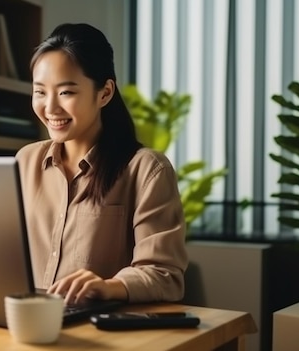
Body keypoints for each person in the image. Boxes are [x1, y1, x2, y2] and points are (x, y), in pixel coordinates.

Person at [15, 23, 188, 306]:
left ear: (105, 93)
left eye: (66, 92)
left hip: (101, 332)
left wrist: (110, 286)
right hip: (25, 320)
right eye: (40, 92)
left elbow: (165, 274)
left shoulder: (147, 170)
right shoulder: (26, 161)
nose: (50, 108)